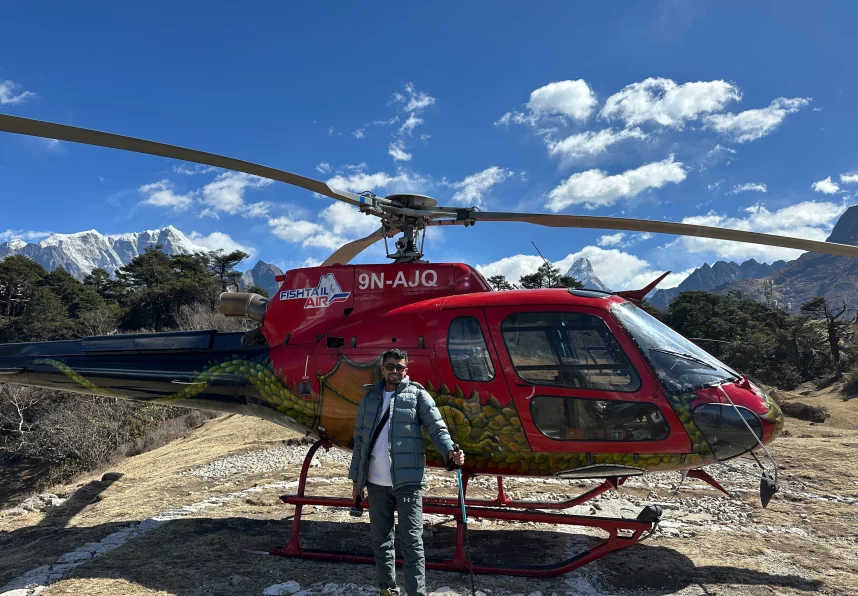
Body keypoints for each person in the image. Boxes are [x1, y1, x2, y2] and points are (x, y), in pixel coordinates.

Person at [349, 348, 465, 596]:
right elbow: (359, 442)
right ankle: (387, 589)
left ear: (406, 370)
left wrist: (450, 452)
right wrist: (356, 482)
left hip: (408, 482)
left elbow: (437, 429)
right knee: (381, 542)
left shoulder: (417, 395)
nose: (394, 371)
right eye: (390, 366)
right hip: (376, 483)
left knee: (413, 544)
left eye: (399, 367)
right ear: (383, 368)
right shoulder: (370, 398)